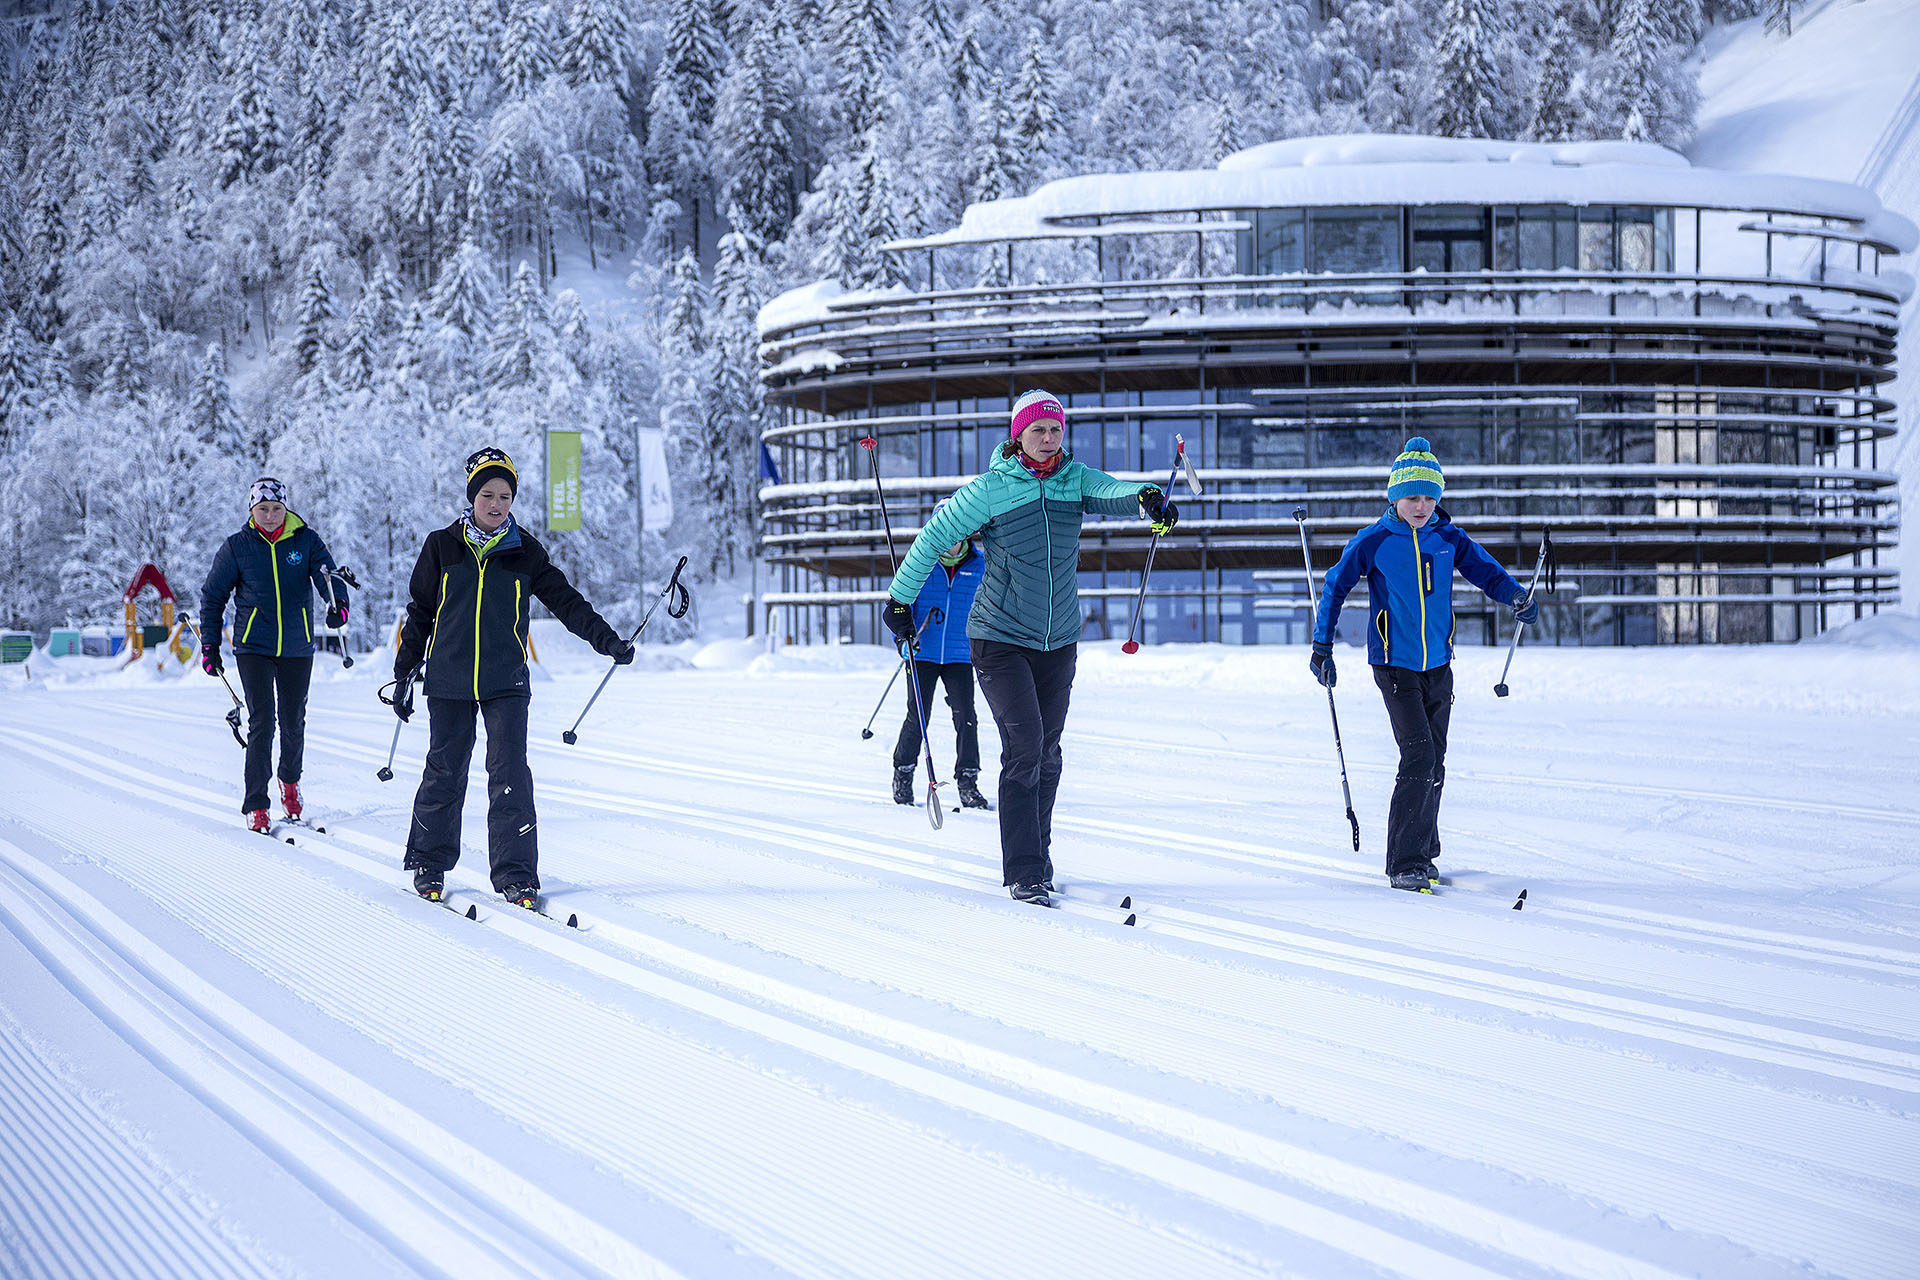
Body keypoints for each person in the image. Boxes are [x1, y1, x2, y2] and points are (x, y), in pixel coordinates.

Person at [883, 389, 1178, 905]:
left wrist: (1148, 496)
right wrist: (901, 600)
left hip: (1058, 639)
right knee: (1025, 746)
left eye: (1056, 430)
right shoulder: (991, 489)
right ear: (1018, 434)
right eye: (1038, 430)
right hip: (997, 637)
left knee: (1048, 752)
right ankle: (1023, 872)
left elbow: (1114, 490)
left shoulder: (1074, 479)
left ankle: (1038, 855)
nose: (1048, 439)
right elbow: (933, 539)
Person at [391, 447, 633, 908]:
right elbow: (420, 613)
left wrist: (608, 641)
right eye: (488, 494)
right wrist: (404, 674)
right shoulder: (441, 545)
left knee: (509, 776)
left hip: (506, 681)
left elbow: (567, 602)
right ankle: (428, 862)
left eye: (505, 495)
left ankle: (517, 875)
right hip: (448, 680)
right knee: (444, 771)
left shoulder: (525, 551)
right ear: (472, 496)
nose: (497, 503)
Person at [1309, 437, 1537, 893]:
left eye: (1430, 497)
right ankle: (1403, 862)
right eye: (1413, 496)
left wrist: (1515, 595)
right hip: (1394, 665)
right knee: (1418, 754)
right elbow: (1334, 586)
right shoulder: (1374, 540)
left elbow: (1486, 571)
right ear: (1396, 496)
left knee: (1437, 758)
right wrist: (1322, 647)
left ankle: (1424, 852)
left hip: (1439, 664)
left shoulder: (1447, 537)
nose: (1422, 506)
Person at [199, 477, 350, 833]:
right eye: (262, 509)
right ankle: (257, 804)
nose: (270, 516)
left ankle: (290, 782)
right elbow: (212, 597)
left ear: (286, 509)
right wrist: (209, 644)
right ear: (252, 510)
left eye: (276, 509)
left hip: (297, 645)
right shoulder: (237, 547)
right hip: (253, 646)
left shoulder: (306, 541)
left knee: (294, 720)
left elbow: (328, 577)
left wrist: (337, 605)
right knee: (262, 722)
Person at [891, 510, 989, 810]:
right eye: (945, 529)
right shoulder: (921, 562)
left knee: (966, 716)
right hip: (923, 652)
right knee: (918, 716)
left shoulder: (981, 565)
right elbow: (900, 605)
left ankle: (967, 781)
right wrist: (903, 636)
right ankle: (903, 773)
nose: (952, 536)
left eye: (958, 529)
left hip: (961, 653)